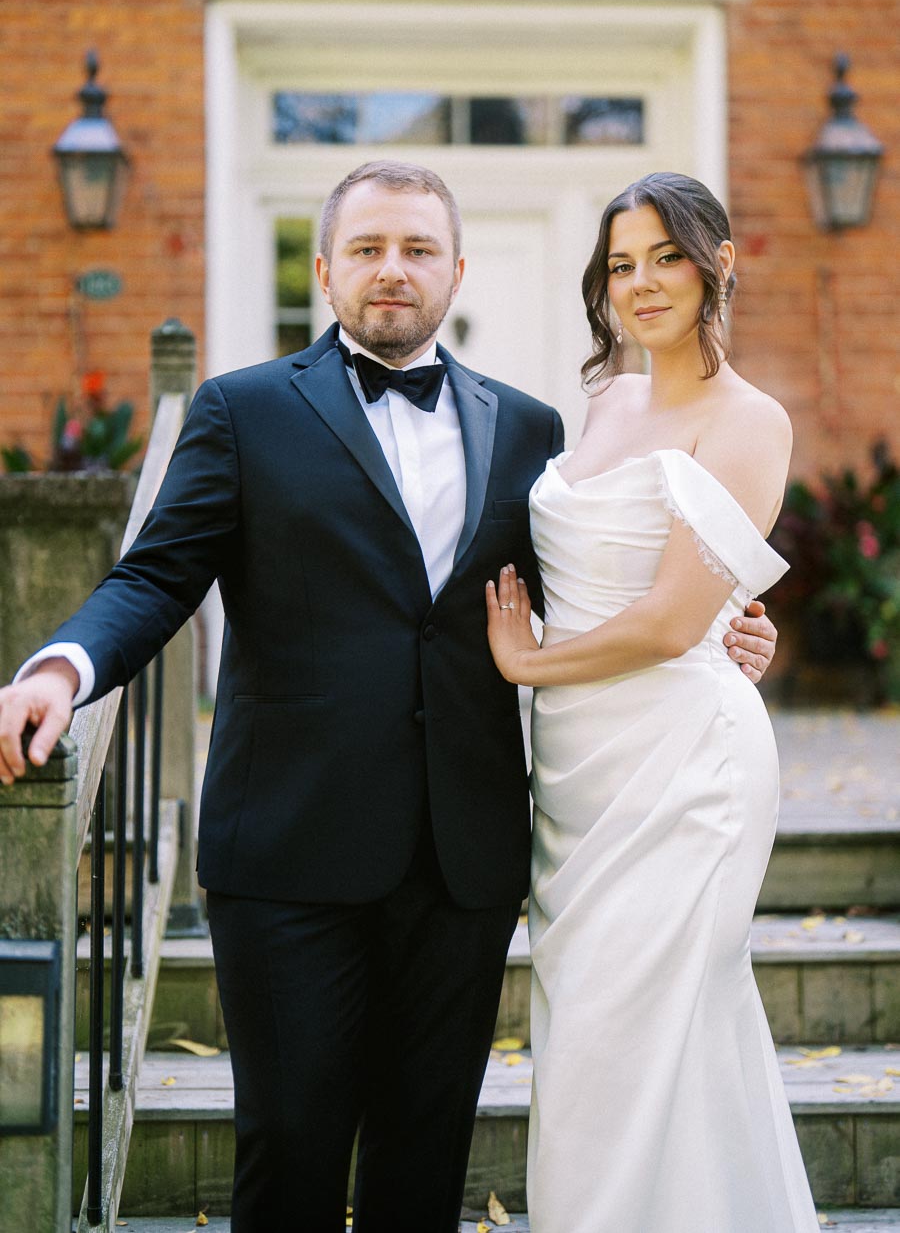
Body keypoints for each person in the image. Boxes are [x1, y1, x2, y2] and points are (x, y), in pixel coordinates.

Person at [0, 162, 777, 1232]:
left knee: (426, 1167)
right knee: (292, 1159)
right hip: (288, 856)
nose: (392, 271)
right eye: (367, 249)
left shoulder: (535, 429)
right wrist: (59, 669)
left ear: (456, 270)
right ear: (324, 270)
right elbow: (154, 576)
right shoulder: (241, 412)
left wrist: (729, 618)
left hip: (461, 856)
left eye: (416, 249)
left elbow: (599, 589)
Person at [485, 172, 819, 1231]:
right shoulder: (607, 401)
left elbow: (676, 623)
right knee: (589, 1049)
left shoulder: (751, 421)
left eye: (667, 256)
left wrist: (524, 664)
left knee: (652, 1034)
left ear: (721, 261)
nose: (642, 283)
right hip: (579, 776)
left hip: (687, 773)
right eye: (622, 264)